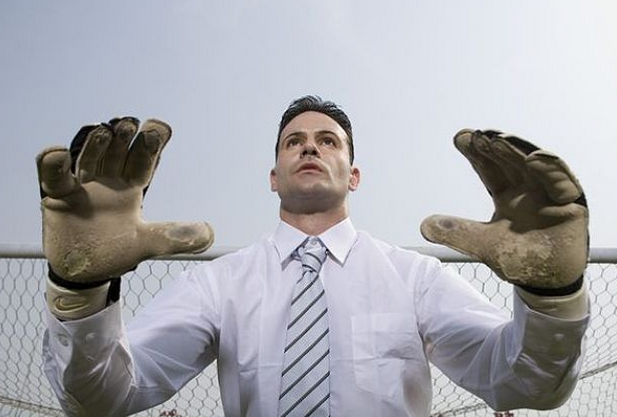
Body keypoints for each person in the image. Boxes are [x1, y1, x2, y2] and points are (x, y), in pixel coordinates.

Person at [38, 96, 590, 417]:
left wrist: (551, 294)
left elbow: (527, 383)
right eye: (293, 141)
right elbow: (104, 397)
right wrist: (80, 291)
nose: (309, 146)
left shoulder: (415, 277)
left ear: (354, 175)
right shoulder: (219, 284)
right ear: (273, 177)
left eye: (329, 141)